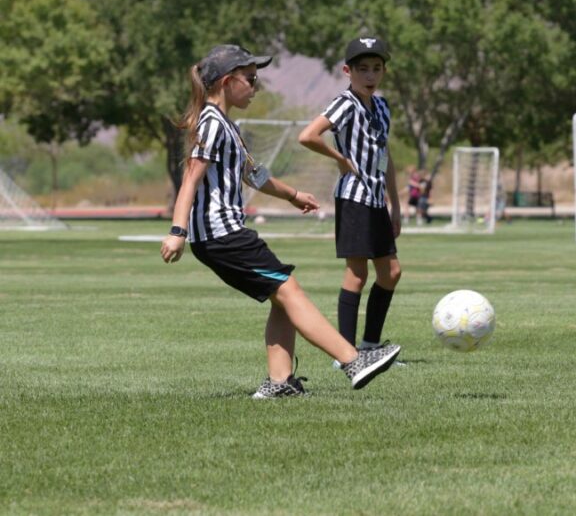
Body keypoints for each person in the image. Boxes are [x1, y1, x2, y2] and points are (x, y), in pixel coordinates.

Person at [160, 44, 400, 397]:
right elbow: (191, 179)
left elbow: (253, 176)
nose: (256, 88)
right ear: (227, 82)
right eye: (251, 80)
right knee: (290, 291)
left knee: (282, 295)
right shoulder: (211, 123)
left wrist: (293, 195)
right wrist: (177, 232)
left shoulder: (224, 123)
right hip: (222, 234)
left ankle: (280, 382)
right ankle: (352, 360)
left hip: (223, 236)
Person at [299, 36, 403, 360]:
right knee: (357, 274)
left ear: (384, 71)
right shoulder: (345, 103)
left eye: (376, 69)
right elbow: (308, 136)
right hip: (354, 198)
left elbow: (384, 155)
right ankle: (346, 354)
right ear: (348, 71)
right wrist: (340, 159)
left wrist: (395, 203)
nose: (370, 76)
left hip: (376, 201)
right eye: (362, 69)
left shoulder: (383, 107)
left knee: (391, 273)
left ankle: (370, 347)